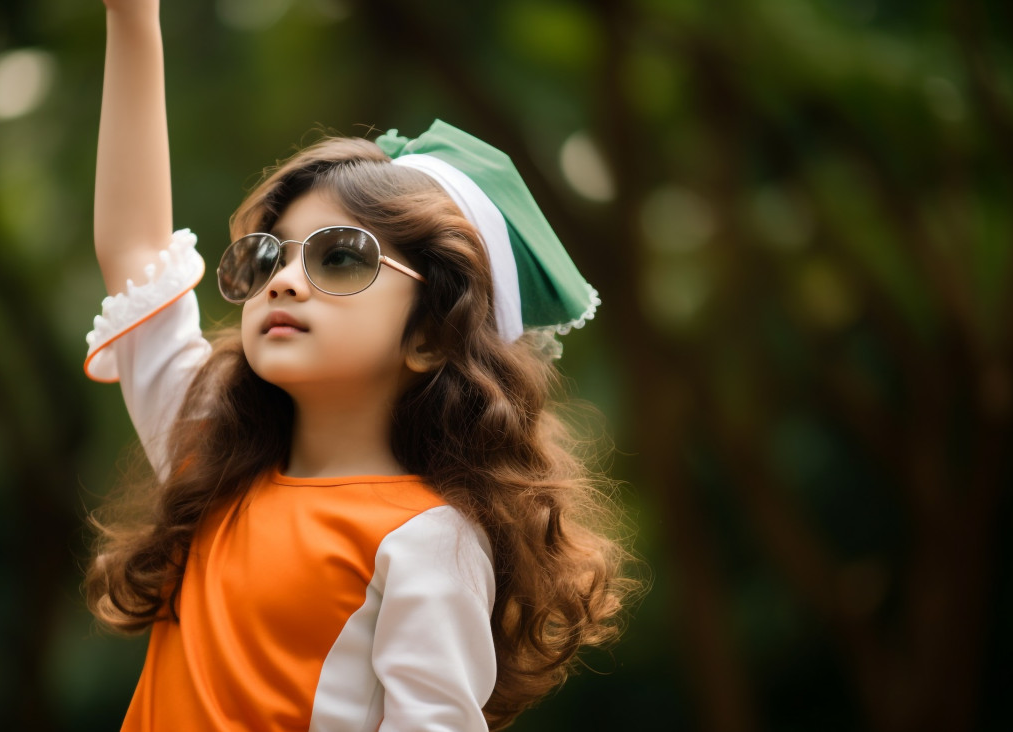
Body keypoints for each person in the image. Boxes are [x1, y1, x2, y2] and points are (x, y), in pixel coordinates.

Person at [82, 1, 637, 730]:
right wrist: (133, 19)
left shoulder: (428, 540)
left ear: (433, 335)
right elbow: (135, 251)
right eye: (269, 254)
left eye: (341, 257)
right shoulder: (209, 454)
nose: (283, 278)